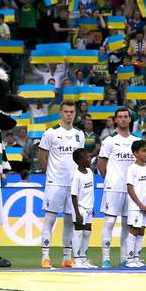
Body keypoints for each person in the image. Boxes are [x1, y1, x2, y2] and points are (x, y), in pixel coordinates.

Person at [39, 101, 85, 268]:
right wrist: (50, 175)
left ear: (74, 114)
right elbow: (42, 155)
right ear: (60, 113)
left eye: (71, 112)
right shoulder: (51, 133)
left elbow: (80, 160)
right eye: (66, 111)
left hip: (72, 185)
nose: (69, 114)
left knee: (69, 221)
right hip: (55, 183)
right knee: (50, 219)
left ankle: (67, 257)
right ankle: (45, 256)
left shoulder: (80, 135)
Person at [98, 107, 140, 267]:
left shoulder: (135, 141)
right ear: (116, 120)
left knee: (126, 224)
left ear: (130, 119)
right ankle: (106, 258)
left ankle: (124, 258)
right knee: (109, 222)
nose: (123, 119)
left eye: (125, 116)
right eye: (120, 117)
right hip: (113, 188)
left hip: (130, 190)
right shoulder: (109, 141)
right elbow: (101, 163)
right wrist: (110, 180)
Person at [124, 140, 146, 268]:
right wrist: (140, 204)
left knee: (142, 230)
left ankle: (137, 257)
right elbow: (130, 188)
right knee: (134, 230)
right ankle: (129, 259)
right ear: (135, 153)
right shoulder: (132, 169)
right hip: (136, 207)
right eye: (143, 151)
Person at [69, 148, 96, 269]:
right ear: (80, 161)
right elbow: (74, 195)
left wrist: (92, 206)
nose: (89, 159)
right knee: (78, 232)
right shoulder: (76, 175)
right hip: (80, 208)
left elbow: (90, 192)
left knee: (87, 233)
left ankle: (83, 258)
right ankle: (77, 260)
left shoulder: (90, 172)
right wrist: (77, 213)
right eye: (87, 157)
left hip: (89, 208)